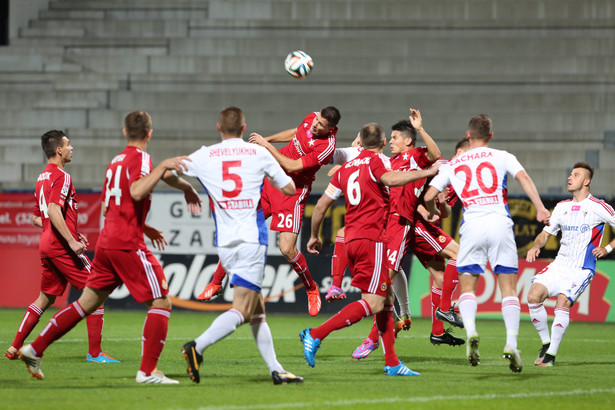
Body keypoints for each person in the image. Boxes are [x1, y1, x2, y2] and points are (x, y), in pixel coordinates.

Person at [19, 110, 201, 384]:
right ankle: (148, 371)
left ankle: (35, 348)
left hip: (107, 242)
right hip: (127, 243)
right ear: (150, 133)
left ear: (125, 133)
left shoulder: (116, 162)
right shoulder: (142, 159)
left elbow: (107, 206)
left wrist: (175, 187)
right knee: (162, 302)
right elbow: (138, 191)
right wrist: (165, 167)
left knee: (86, 304)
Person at [301, 122, 440, 376]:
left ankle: (392, 362)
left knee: (386, 301)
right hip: (372, 241)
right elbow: (391, 179)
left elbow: (320, 205)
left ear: (360, 142)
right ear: (383, 142)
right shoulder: (378, 163)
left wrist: (313, 235)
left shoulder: (345, 170)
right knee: (373, 302)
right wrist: (426, 172)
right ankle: (315, 334)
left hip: (350, 242)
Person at [179, 107, 303, 385]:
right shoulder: (258, 153)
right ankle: (196, 348)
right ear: (244, 128)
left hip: (225, 244)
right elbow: (289, 189)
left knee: (257, 309)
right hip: (250, 240)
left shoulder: (205, 154)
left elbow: (171, 169)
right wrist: (274, 177)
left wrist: (186, 187)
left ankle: (276, 368)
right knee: (243, 310)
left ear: (218, 127)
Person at [424, 114, 550, 373]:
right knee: (509, 289)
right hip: (499, 224)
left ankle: (471, 332)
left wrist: (434, 211)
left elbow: (428, 195)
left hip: (472, 226)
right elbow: (524, 179)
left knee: (468, 287)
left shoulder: (455, 163)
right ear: (490, 136)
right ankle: (512, 344)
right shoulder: (503, 156)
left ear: (468, 136)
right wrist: (539, 208)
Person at [200, 107, 341, 317]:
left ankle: (311, 288)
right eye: (316, 120)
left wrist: (266, 147)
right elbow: (296, 132)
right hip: (270, 182)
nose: (315, 124)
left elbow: (293, 166)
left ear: (331, 129)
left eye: (321, 125)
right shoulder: (310, 117)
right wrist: (269, 140)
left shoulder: (326, 147)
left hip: (293, 191)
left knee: (287, 249)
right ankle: (215, 282)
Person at [5, 130, 118, 364]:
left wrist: (72, 232)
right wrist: (71, 240)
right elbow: (54, 210)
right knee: (97, 291)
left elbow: (38, 217)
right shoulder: (62, 176)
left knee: (44, 298)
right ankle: (95, 353)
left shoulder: (41, 178)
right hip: (60, 246)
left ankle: (15, 347)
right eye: (68, 144)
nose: (72, 148)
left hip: (46, 245)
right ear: (59, 150)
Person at [526, 162, 615, 367]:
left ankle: (550, 357)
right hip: (560, 264)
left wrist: (608, 249)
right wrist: (535, 246)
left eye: (575, 175)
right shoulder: (562, 207)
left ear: (586, 181)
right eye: (570, 174)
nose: (569, 177)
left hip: (581, 269)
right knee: (532, 296)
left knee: (563, 301)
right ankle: (546, 343)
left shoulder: (598, 207)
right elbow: (545, 234)